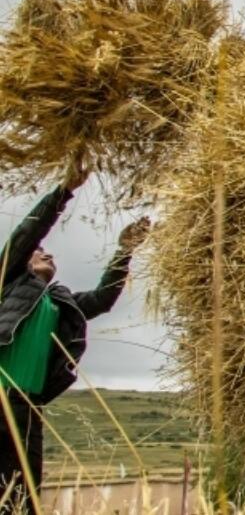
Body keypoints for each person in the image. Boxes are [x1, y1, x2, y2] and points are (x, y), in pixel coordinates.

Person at [0, 155, 149, 511]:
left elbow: (103, 298)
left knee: (24, 495)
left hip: (27, 405)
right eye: (38, 253)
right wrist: (64, 191)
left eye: (49, 254)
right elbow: (27, 234)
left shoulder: (60, 303)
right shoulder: (7, 283)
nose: (46, 253)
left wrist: (124, 252)